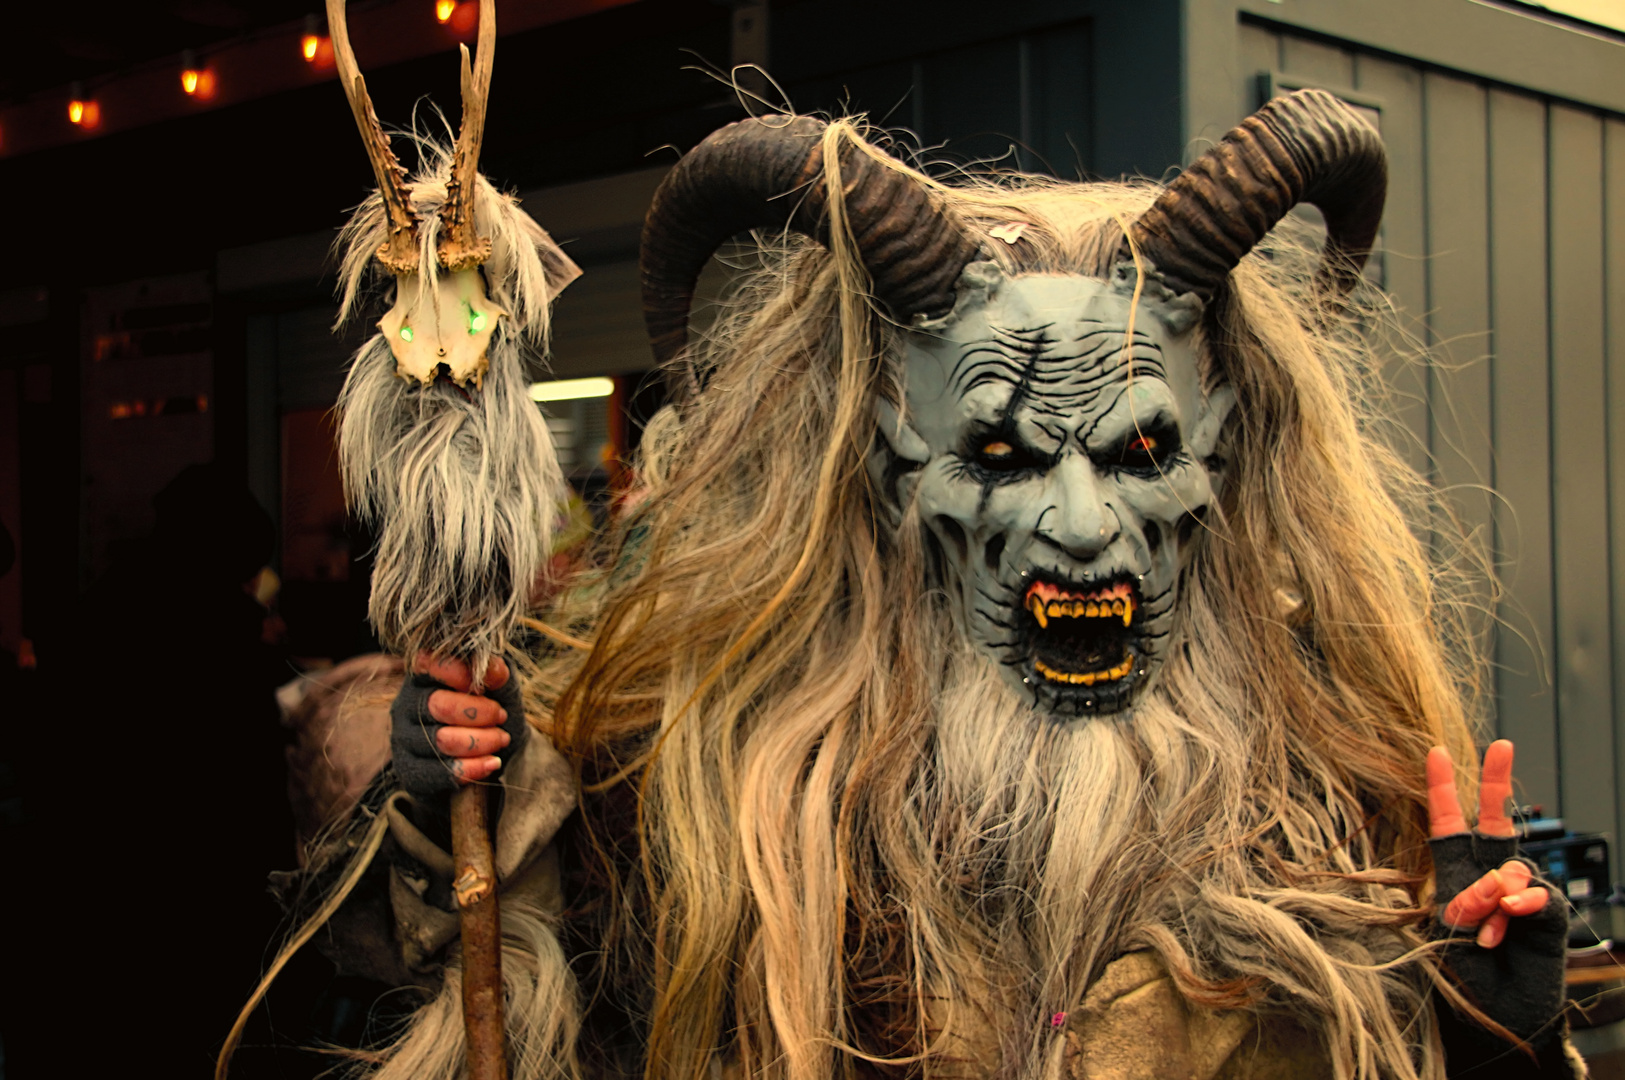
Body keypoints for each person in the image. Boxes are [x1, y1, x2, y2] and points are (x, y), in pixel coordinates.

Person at [257, 90, 1579, 1079]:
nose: (1079, 527)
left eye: (1140, 450)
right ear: (884, 474)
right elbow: (503, 995)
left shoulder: (1345, 807)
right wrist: (458, 819)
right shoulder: (705, 809)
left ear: (1221, 459)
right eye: (1000, 452)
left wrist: (1491, 1035)